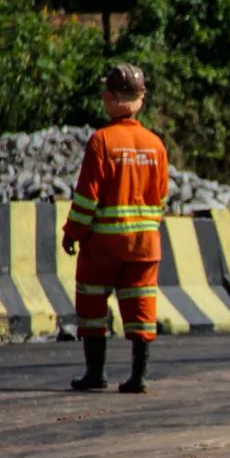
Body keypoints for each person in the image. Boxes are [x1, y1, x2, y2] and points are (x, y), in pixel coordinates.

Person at [63, 63, 168, 394]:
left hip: (104, 246)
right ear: (142, 99)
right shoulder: (156, 145)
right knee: (141, 305)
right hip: (144, 244)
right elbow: (161, 198)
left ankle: (96, 374)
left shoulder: (101, 142)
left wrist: (72, 233)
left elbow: (86, 198)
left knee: (92, 304)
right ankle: (139, 375)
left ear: (108, 97)